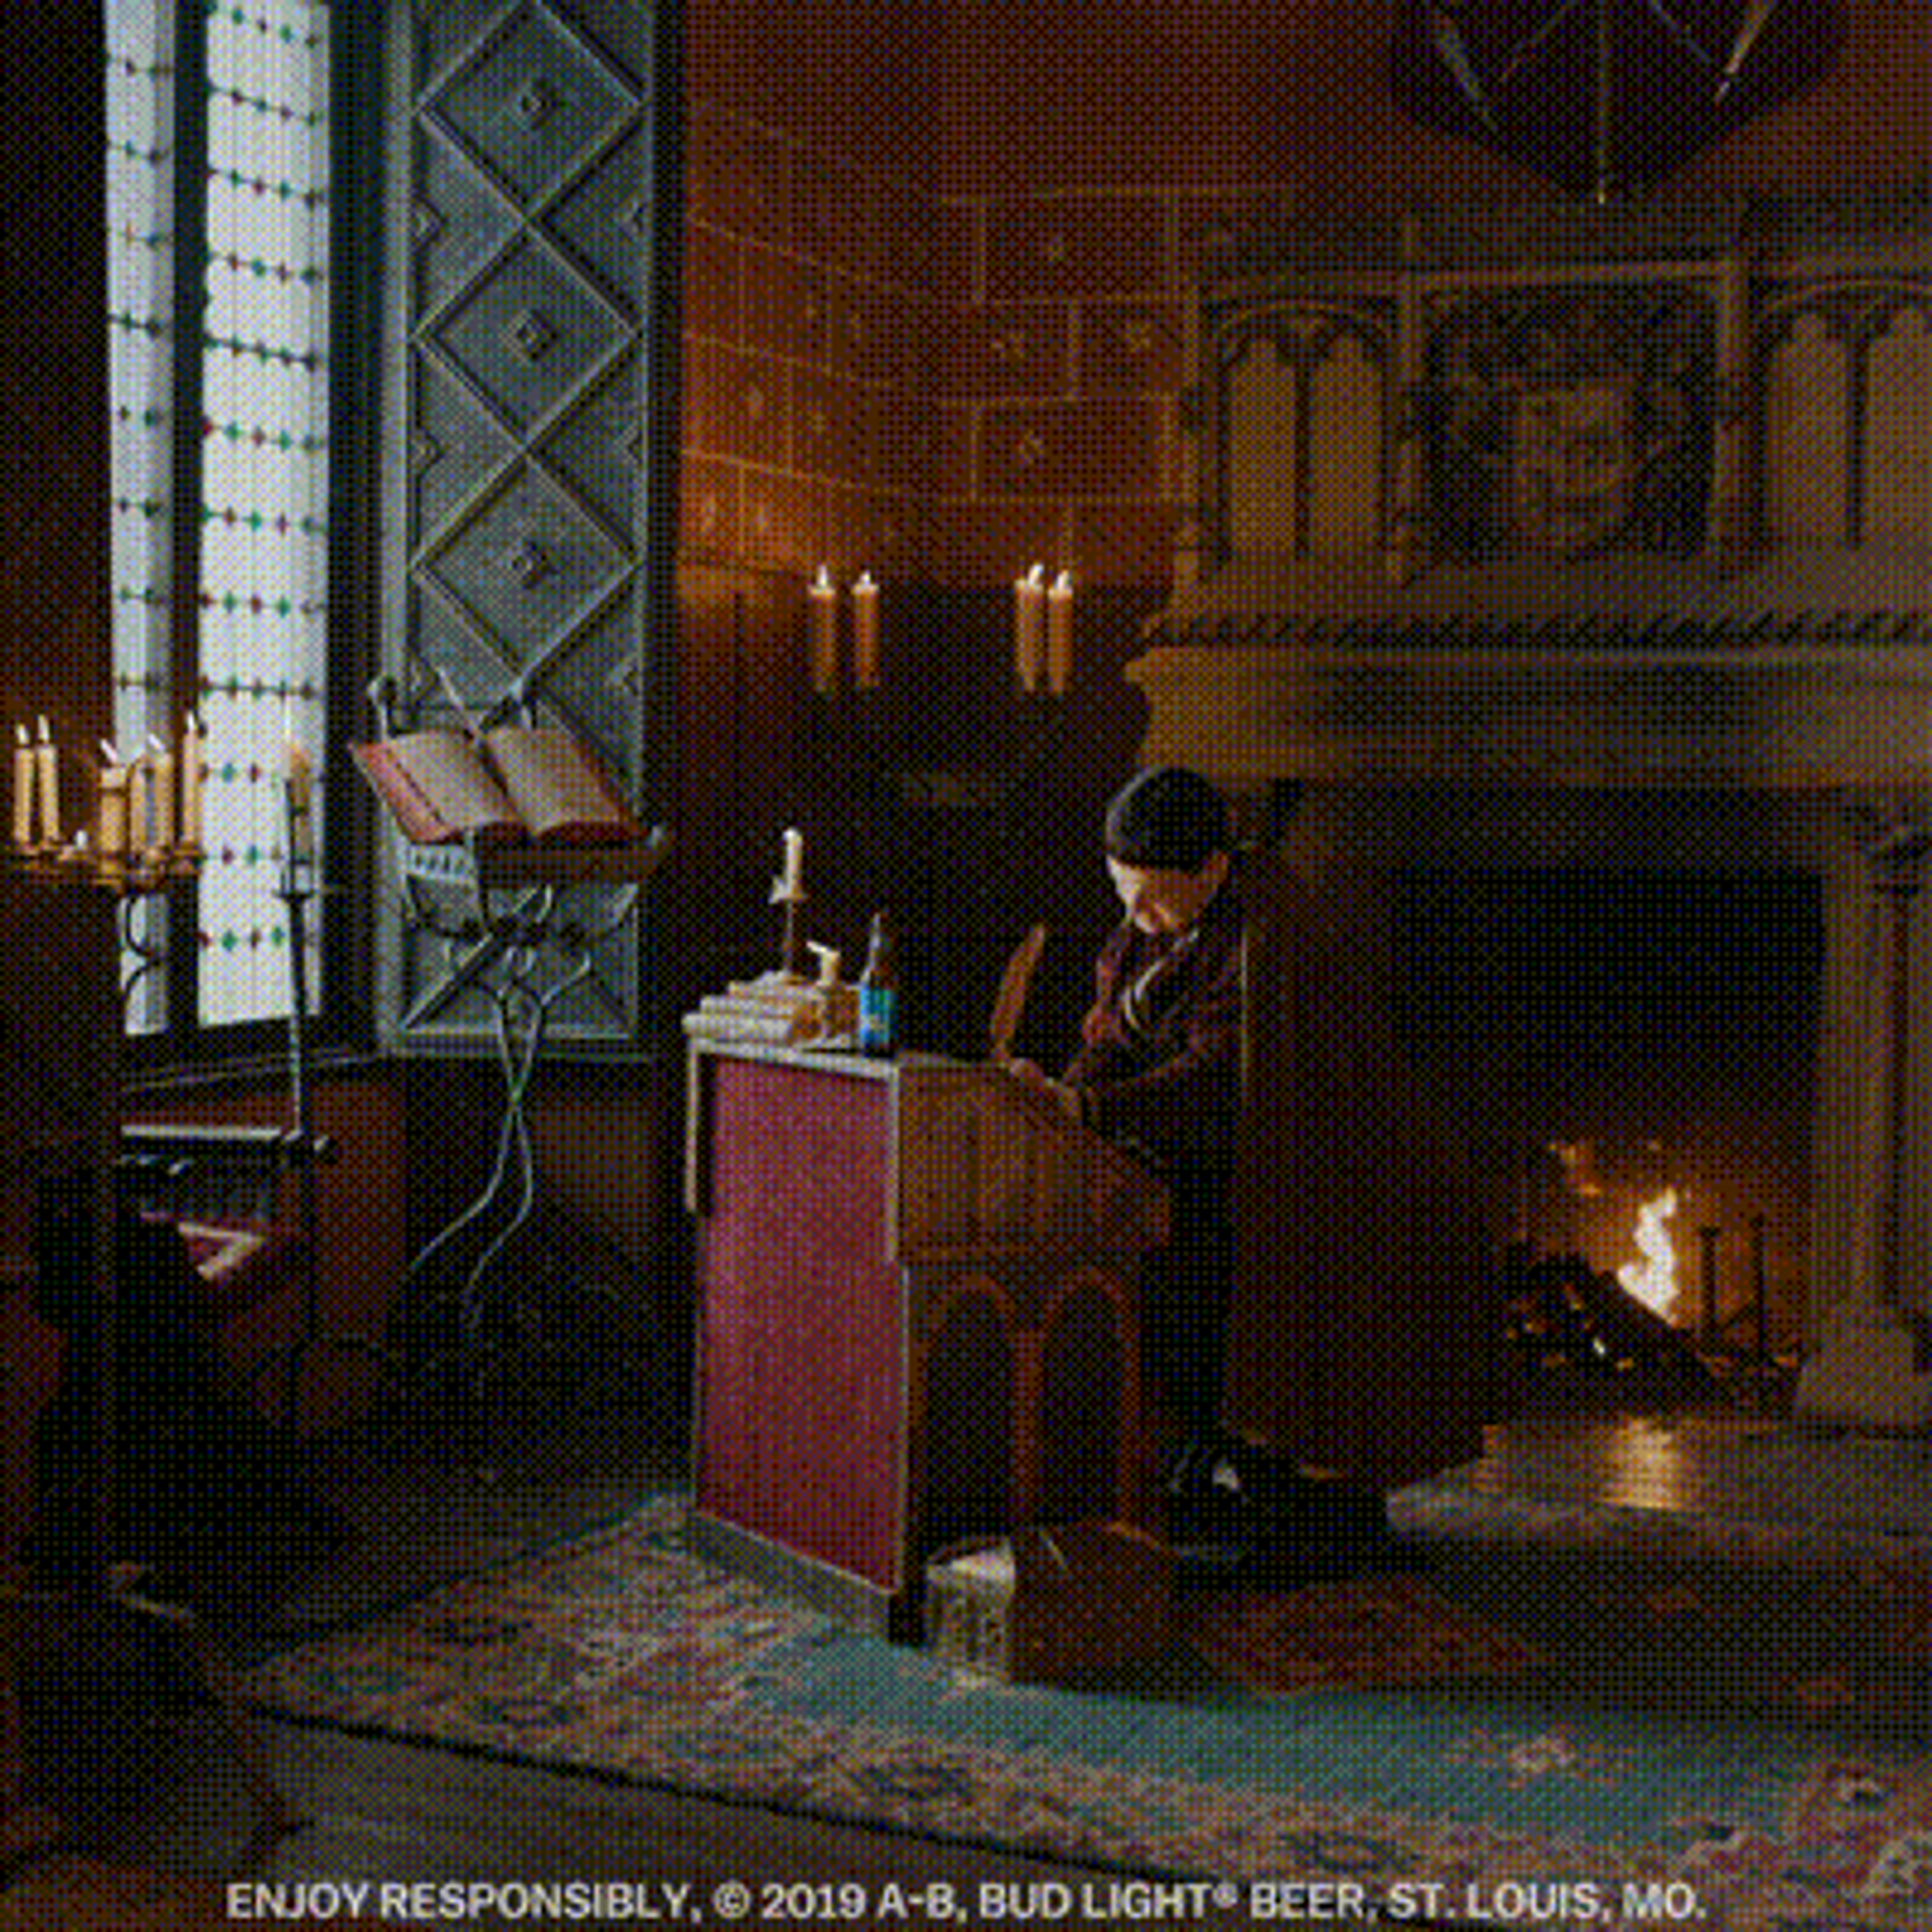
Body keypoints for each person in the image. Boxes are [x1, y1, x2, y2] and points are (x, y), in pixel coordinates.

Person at [1007, 765, 1251, 1547]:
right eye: (1122, 891)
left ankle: (1192, 1459)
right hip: (1150, 1150)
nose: (1134, 915)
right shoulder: (1138, 934)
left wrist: (1090, 1110)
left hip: (1235, 1170)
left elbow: (1214, 1076)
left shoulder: (1254, 942)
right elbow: (1111, 1038)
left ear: (1212, 868)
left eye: (1150, 894)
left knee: (1171, 1271)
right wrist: (1061, 1098)